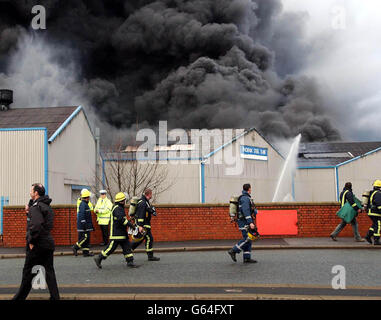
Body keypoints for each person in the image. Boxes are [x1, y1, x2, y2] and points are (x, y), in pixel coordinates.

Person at [13, 183, 60, 300]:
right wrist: (29, 213)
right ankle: (55, 297)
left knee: (27, 273)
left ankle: (18, 299)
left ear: (36, 193)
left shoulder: (36, 207)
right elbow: (42, 222)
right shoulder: (46, 206)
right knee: (49, 272)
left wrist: (31, 241)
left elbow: (37, 226)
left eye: (31, 191)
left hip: (37, 245)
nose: (30, 193)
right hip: (48, 244)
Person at [94, 192, 138, 268]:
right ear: (122, 201)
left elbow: (122, 219)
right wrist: (131, 225)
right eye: (124, 200)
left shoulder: (119, 208)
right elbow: (122, 220)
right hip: (116, 234)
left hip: (121, 233)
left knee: (127, 247)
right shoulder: (117, 208)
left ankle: (130, 261)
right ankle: (99, 258)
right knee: (111, 248)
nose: (125, 201)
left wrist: (129, 222)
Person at [228, 183, 258, 263]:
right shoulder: (245, 199)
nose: (251, 190)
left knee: (249, 239)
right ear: (249, 189)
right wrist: (250, 222)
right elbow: (246, 211)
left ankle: (247, 257)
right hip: (244, 222)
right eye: (250, 189)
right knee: (247, 238)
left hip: (243, 221)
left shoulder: (245, 198)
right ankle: (233, 250)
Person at [131, 189, 160, 261]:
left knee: (142, 239)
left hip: (145, 224)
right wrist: (140, 226)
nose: (151, 196)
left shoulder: (145, 202)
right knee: (149, 238)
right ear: (149, 194)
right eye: (151, 194)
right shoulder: (143, 203)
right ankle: (150, 256)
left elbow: (146, 211)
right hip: (143, 225)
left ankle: (128, 250)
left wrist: (151, 210)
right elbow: (141, 215)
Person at [72, 189, 94, 257]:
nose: (89, 198)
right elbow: (82, 215)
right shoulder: (83, 204)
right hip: (84, 225)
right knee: (85, 238)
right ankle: (75, 247)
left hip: (86, 225)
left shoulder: (85, 204)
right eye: (88, 197)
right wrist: (84, 224)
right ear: (87, 197)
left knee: (87, 239)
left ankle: (86, 252)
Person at [364, 180, 381, 245]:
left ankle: (368, 236)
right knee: (378, 224)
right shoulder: (378, 193)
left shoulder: (372, 192)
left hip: (371, 212)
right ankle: (376, 240)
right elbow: (378, 203)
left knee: (375, 224)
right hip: (375, 212)